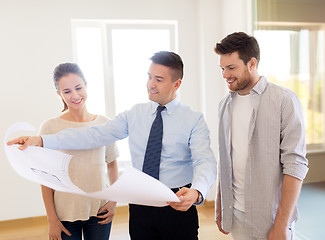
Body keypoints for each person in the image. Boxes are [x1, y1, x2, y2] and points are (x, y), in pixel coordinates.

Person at [8, 51, 217, 240]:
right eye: (149, 76)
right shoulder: (134, 114)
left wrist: (197, 192)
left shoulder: (193, 119)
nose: (150, 84)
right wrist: (42, 140)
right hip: (141, 204)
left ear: (176, 84)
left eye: (159, 79)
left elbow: (205, 161)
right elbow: (92, 135)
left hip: (178, 203)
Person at [214, 32, 309, 240]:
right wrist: (221, 208)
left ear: (252, 63)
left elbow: (295, 165)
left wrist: (281, 225)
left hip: (271, 219)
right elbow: (224, 160)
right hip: (236, 214)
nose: (225, 75)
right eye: (222, 68)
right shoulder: (224, 106)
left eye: (231, 68)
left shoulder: (284, 100)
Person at [39, 63, 119, 240]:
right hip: (65, 215)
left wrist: (113, 201)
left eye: (78, 88)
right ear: (59, 94)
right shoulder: (50, 127)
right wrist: (52, 219)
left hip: (100, 210)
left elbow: (112, 164)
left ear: (86, 86)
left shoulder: (104, 123)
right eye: (67, 91)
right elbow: (45, 179)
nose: (75, 95)